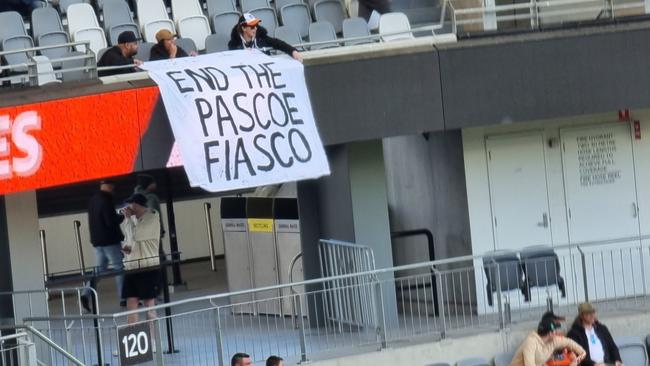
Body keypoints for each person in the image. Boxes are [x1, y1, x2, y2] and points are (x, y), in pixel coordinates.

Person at [83, 180, 125, 311]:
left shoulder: (93, 199)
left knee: (100, 269)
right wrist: (122, 216)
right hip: (110, 240)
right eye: (113, 186)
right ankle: (124, 297)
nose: (114, 189)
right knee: (120, 267)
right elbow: (110, 221)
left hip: (97, 241)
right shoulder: (106, 200)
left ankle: (85, 293)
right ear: (109, 186)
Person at [120, 193, 161, 325]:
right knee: (131, 303)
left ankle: (153, 342)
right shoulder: (132, 221)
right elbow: (129, 240)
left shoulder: (152, 218)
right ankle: (134, 339)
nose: (127, 208)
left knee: (149, 304)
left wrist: (127, 219)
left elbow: (136, 235)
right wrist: (125, 247)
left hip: (147, 267)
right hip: (131, 267)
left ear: (136, 205)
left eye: (130, 205)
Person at [510, 312, 586, 366]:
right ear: (550, 333)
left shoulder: (553, 340)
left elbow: (568, 342)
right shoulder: (531, 342)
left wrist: (581, 352)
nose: (557, 332)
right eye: (555, 330)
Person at [228, 13, 303, 63]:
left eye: (256, 25)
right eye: (252, 26)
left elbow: (278, 43)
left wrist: (293, 51)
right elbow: (234, 61)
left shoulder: (261, 38)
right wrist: (242, 53)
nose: (255, 28)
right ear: (244, 28)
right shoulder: (234, 45)